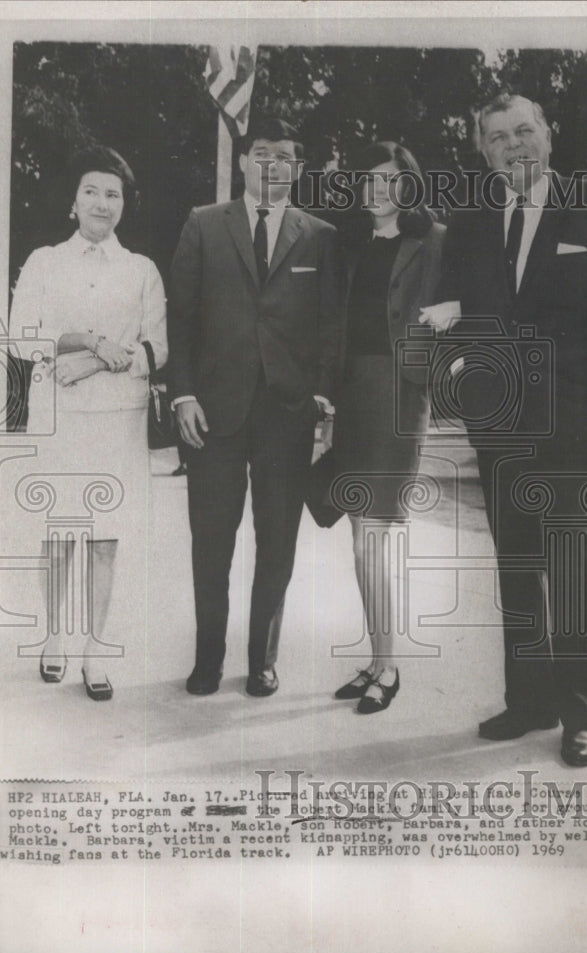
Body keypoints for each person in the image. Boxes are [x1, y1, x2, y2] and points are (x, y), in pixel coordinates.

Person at [421, 94, 587, 765]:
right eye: (497, 137)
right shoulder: (467, 222)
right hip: (501, 431)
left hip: (577, 429)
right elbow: (454, 313)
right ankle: (527, 702)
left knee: (576, 576)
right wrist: (457, 378)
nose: (513, 146)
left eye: (524, 131)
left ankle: (578, 716)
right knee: (518, 569)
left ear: (547, 136)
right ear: (482, 151)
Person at [168, 117, 343, 698]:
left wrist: (322, 394)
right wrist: (184, 394)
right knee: (211, 542)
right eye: (262, 153)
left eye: (286, 156)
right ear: (244, 162)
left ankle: (262, 660)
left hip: (287, 415)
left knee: (277, 544)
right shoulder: (203, 224)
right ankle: (207, 659)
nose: (272, 164)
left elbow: (330, 326)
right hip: (213, 414)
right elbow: (182, 319)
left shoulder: (320, 235)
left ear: (298, 169)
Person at [9, 145, 167, 701]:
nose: (102, 203)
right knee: (60, 534)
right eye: (92, 191)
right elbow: (22, 338)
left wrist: (96, 361)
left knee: (104, 539)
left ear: (125, 205)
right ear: (73, 201)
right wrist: (88, 339)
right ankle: (55, 637)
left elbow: (156, 348)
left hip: (116, 424)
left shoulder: (141, 270)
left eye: (113, 194)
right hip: (60, 419)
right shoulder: (44, 261)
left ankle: (96, 649)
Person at [332, 142, 445, 713]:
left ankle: (390, 666)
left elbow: (484, 299)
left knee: (375, 537)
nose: (377, 189)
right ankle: (376, 659)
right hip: (351, 396)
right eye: (368, 180)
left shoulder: (435, 241)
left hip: (400, 396)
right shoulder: (350, 245)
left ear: (409, 185)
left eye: (389, 179)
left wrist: (455, 317)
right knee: (358, 537)